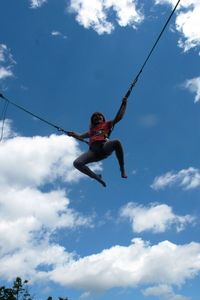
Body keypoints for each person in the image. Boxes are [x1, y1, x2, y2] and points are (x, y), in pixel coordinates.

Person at [67, 97, 128, 187]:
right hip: (93, 152)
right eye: (95, 117)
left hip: (104, 146)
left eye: (99, 116)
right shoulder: (91, 131)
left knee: (117, 142)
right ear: (92, 121)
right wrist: (72, 134)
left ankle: (122, 168)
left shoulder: (107, 124)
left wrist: (124, 104)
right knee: (77, 163)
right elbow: (80, 136)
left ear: (103, 118)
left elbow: (119, 117)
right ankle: (96, 177)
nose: (97, 117)